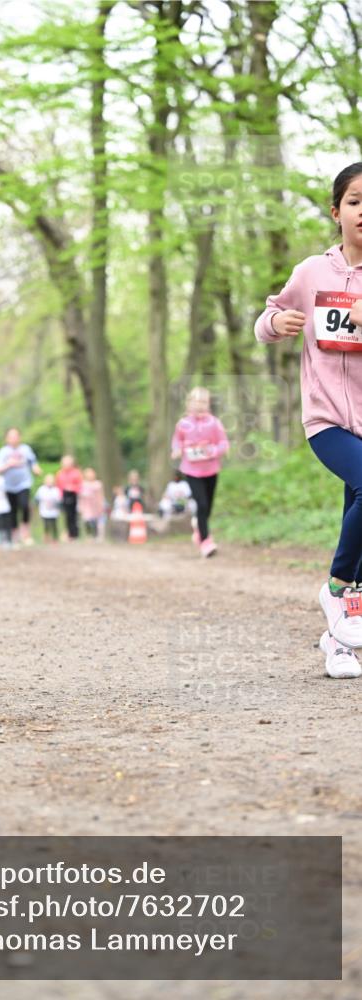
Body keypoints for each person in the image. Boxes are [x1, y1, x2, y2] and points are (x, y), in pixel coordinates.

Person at [255, 161, 362, 679]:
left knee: (360, 516)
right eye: (355, 201)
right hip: (327, 420)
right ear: (336, 211)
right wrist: (277, 321)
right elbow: (264, 319)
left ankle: (337, 642)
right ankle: (336, 587)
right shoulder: (311, 273)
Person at [171, 387, 229, 558]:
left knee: (208, 507)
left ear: (208, 404)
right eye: (196, 401)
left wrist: (211, 451)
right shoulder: (182, 424)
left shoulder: (215, 423)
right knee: (201, 504)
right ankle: (206, 542)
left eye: (203, 401)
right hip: (191, 470)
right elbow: (177, 441)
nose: (199, 405)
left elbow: (223, 444)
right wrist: (176, 450)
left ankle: (199, 529)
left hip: (211, 469)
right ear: (189, 403)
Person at [0, 427, 42, 544]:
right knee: (12, 510)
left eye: (16, 436)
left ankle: (26, 532)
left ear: (19, 437)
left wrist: (36, 469)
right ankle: (14, 535)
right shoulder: (3, 452)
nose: (14, 439)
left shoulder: (26, 449)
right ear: (6, 439)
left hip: (24, 483)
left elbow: (33, 462)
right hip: (9, 486)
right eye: (11, 436)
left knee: (25, 505)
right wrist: (8, 464)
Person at [55, 454, 83, 540]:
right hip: (64, 496)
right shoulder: (59, 473)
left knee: (74, 515)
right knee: (66, 515)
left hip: (74, 496)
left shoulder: (76, 472)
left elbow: (80, 485)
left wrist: (73, 488)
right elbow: (58, 486)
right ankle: (68, 533)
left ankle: (75, 534)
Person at [79, 467, 106, 540]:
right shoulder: (83, 484)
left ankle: (96, 535)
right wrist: (80, 506)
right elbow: (81, 496)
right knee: (86, 520)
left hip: (96, 506)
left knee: (95, 521)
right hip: (86, 505)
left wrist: (101, 504)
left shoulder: (98, 484)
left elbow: (100, 495)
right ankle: (89, 535)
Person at [34, 473, 61, 543]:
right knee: (46, 525)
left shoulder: (56, 490)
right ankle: (46, 537)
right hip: (44, 511)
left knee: (54, 525)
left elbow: (59, 501)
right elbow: (36, 499)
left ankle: (55, 538)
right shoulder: (41, 489)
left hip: (54, 512)